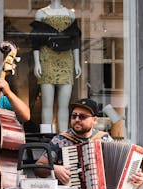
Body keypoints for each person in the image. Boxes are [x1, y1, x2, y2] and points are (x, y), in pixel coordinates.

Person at [30, 0, 81, 132]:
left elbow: (75, 41)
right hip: (47, 59)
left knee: (64, 105)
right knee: (47, 105)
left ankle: (64, 138)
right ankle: (47, 138)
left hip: (66, 59)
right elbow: (36, 41)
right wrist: (37, 63)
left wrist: (77, 62)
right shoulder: (41, 13)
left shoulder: (70, 14)